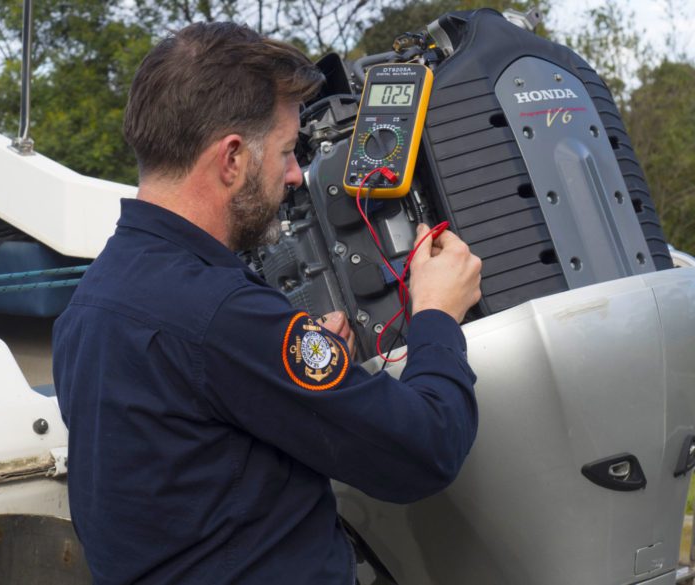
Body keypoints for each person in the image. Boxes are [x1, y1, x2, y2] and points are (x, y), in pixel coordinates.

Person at [52, 22, 482, 585]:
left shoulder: (91, 300)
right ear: (231, 159)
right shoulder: (222, 313)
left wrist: (306, 363)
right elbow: (425, 449)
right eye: (284, 152)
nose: (296, 173)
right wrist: (436, 314)